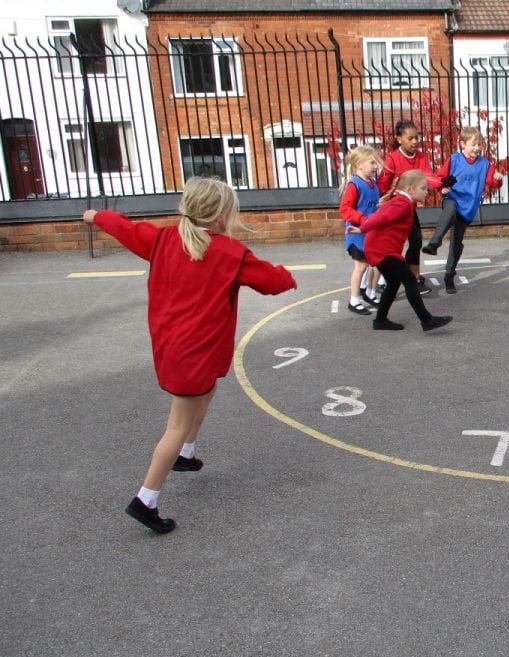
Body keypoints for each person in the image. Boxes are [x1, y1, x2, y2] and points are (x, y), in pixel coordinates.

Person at [83, 177, 297, 534]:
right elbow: (272, 282)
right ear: (222, 214)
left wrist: (95, 215)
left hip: (176, 347)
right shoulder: (229, 253)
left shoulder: (162, 238)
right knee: (175, 426)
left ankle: (186, 454)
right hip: (193, 353)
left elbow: (123, 228)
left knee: (207, 390)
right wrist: (288, 277)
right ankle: (146, 499)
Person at [361, 169, 452, 332]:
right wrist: (362, 228)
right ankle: (426, 320)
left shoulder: (402, 201)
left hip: (377, 248)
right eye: (423, 188)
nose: (426, 192)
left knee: (393, 283)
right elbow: (382, 217)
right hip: (382, 250)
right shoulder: (403, 204)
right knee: (410, 280)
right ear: (410, 189)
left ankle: (380, 321)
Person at [421, 127, 504, 293]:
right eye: (473, 144)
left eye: (479, 144)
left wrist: (498, 179)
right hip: (453, 198)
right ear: (462, 144)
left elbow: (493, 182)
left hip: (468, 206)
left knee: (456, 243)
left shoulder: (485, 164)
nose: (477, 148)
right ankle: (434, 243)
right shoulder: (454, 160)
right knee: (449, 210)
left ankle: (449, 275)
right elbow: (439, 178)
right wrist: (441, 188)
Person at [377, 120, 448, 295]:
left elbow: (428, 177)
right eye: (410, 138)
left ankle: (415, 277)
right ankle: (383, 278)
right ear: (399, 139)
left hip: (409, 208)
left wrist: (441, 184)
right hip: (393, 209)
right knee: (394, 244)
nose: (415, 142)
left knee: (415, 240)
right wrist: (386, 199)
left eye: (417, 138)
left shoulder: (421, 157)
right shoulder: (392, 159)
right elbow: (383, 185)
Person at [338, 146, 382, 314]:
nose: (376, 166)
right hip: (357, 234)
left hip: (372, 232)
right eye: (372, 163)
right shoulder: (354, 185)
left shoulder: (373, 183)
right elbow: (345, 209)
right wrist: (363, 220)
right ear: (359, 165)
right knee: (361, 267)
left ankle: (370, 293)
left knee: (377, 264)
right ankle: (354, 300)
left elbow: (374, 206)